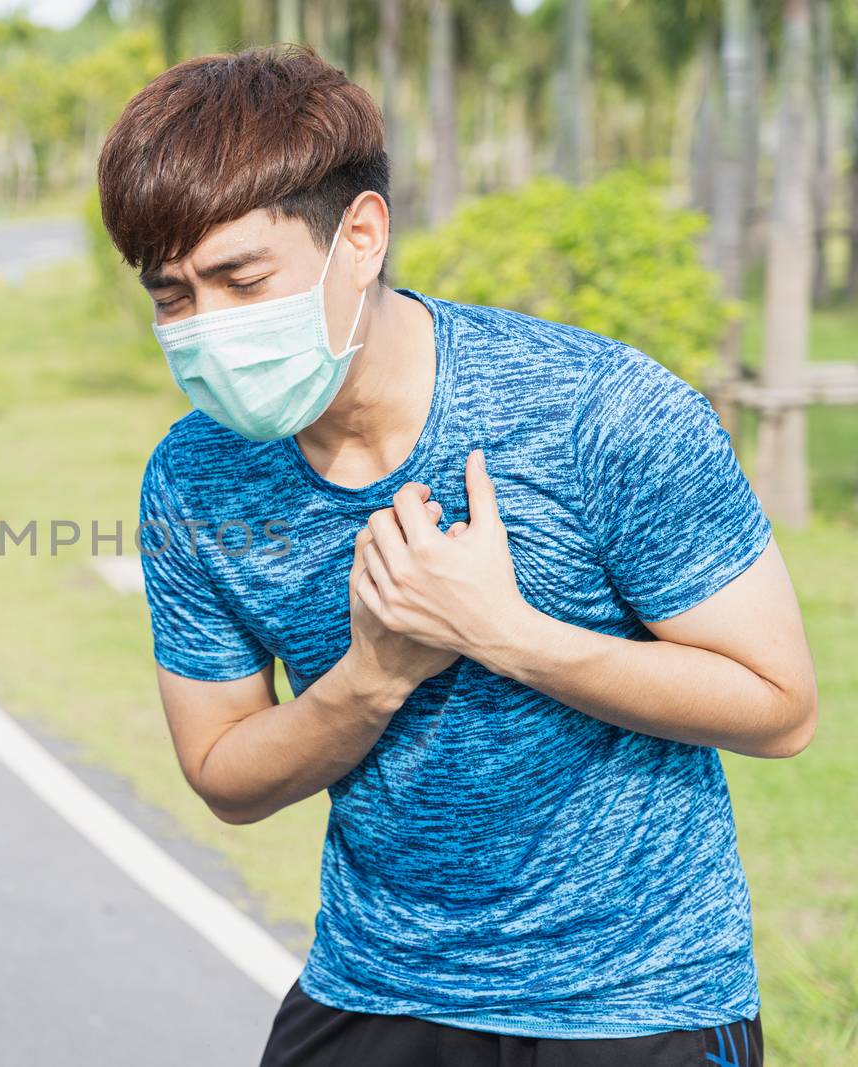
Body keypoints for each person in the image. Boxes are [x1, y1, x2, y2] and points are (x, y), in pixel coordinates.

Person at [95, 44, 817, 1067]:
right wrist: (374, 673)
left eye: (240, 279)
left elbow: (779, 706)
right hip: (375, 984)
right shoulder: (196, 480)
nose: (207, 328)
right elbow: (224, 773)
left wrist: (508, 634)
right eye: (172, 296)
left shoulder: (597, 412)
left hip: (633, 1000)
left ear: (360, 236)